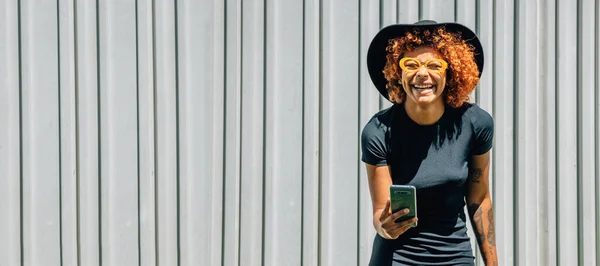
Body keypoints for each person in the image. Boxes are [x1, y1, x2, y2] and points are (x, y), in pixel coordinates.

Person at [362, 20, 498, 265]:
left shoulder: (476, 123)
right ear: (397, 71)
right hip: (396, 258)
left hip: (455, 256)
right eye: (410, 64)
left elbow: (479, 199)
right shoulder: (379, 131)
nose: (422, 73)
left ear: (451, 72)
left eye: (434, 64)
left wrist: (493, 263)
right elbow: (380, 211)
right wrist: (384, 226)